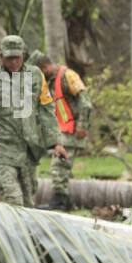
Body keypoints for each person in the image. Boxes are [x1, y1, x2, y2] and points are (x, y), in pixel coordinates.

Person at [0, 35, 67, 207]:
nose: (13, 62)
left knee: (28, 203)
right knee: (13, 199)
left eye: (17, 57)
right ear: (1, 57)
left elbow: (46, 110)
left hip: (29, 150)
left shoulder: (35, 76)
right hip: (2, 149)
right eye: (9, 58)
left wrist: (56, 142)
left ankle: (22, 234)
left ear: (23, 55)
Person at [33, 50, 92, 209]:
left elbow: (85, 103)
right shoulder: (50, 81)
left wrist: (82, 126)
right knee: (62, 168)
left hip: (72, 131)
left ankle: (60, 201)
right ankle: (66, 201)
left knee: (58, 167)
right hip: (62, 132)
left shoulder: (68, 76)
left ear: (45, 67)